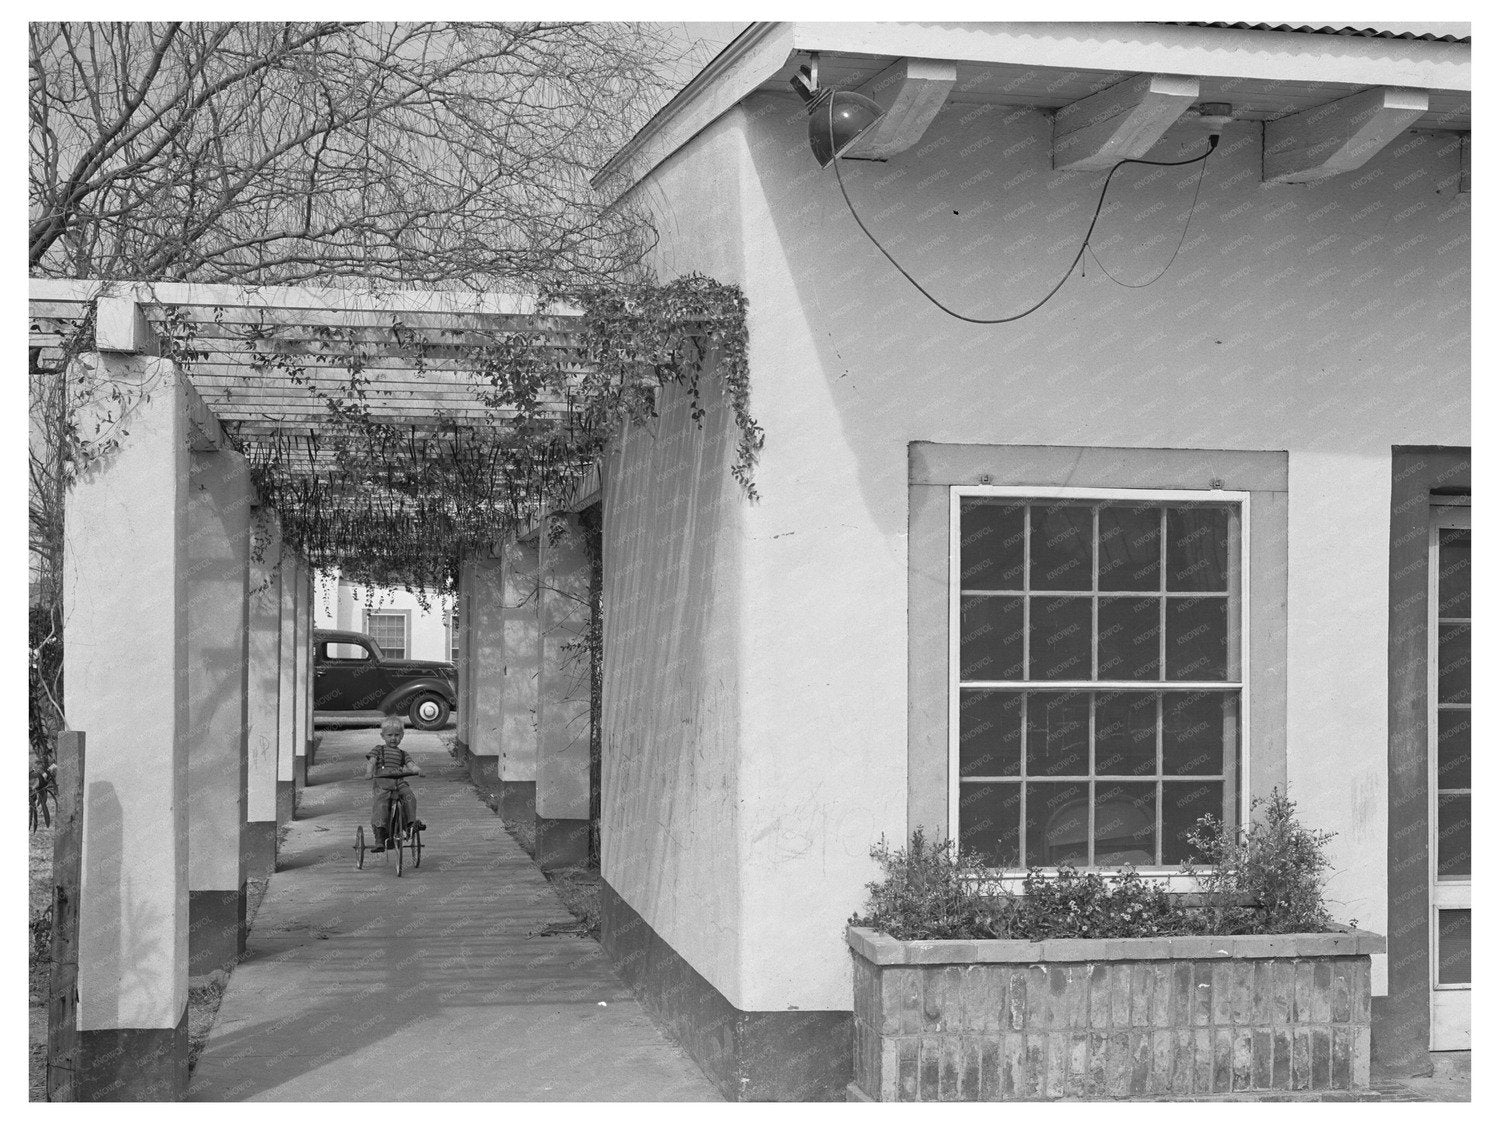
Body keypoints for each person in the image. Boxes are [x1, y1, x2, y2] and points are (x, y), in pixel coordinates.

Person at [366, 716, 424, 850]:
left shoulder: (403, 754)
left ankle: (410, 825)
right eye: (390, 735)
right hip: (383, 782)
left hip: (399, 782)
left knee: (410, 796)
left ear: (402, 736)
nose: (393, 738)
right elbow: (371, 762)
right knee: (381, 804)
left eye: (397, 735)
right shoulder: (378, 750)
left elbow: (411, 764)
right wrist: (369, 772)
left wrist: (417, 770)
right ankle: (380, 836)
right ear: (383, 735)